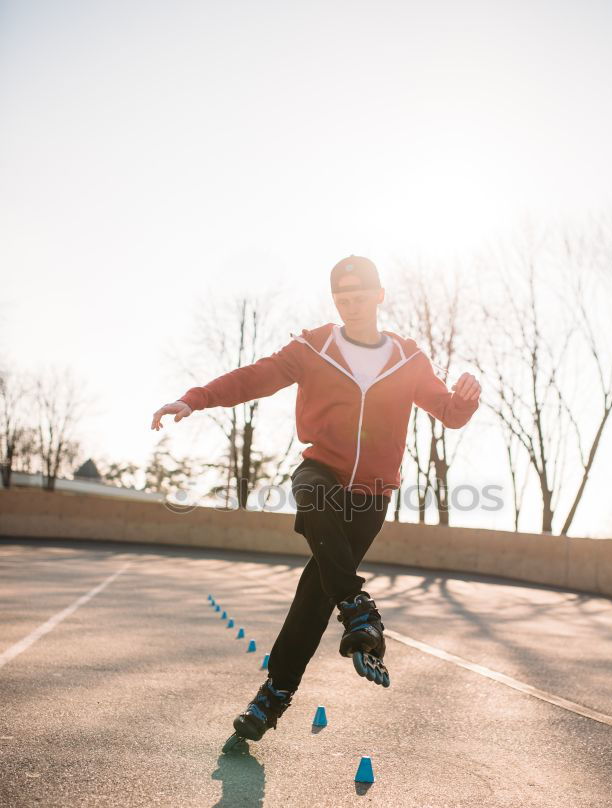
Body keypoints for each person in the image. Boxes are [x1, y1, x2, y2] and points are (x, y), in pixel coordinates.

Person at [151, 255, 481, 745]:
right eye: (341, 299)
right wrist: (194, 399)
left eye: (359, 297)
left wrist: (466, 400)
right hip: (320, 472)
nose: (350, 306)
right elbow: (253, 378)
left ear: (379, 295)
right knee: (309, 488)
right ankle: (358, 609)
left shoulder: (409, 359)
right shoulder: (314, 347)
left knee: (312, 597)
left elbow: (447, 413)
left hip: (370, 496)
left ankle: (274, 696)